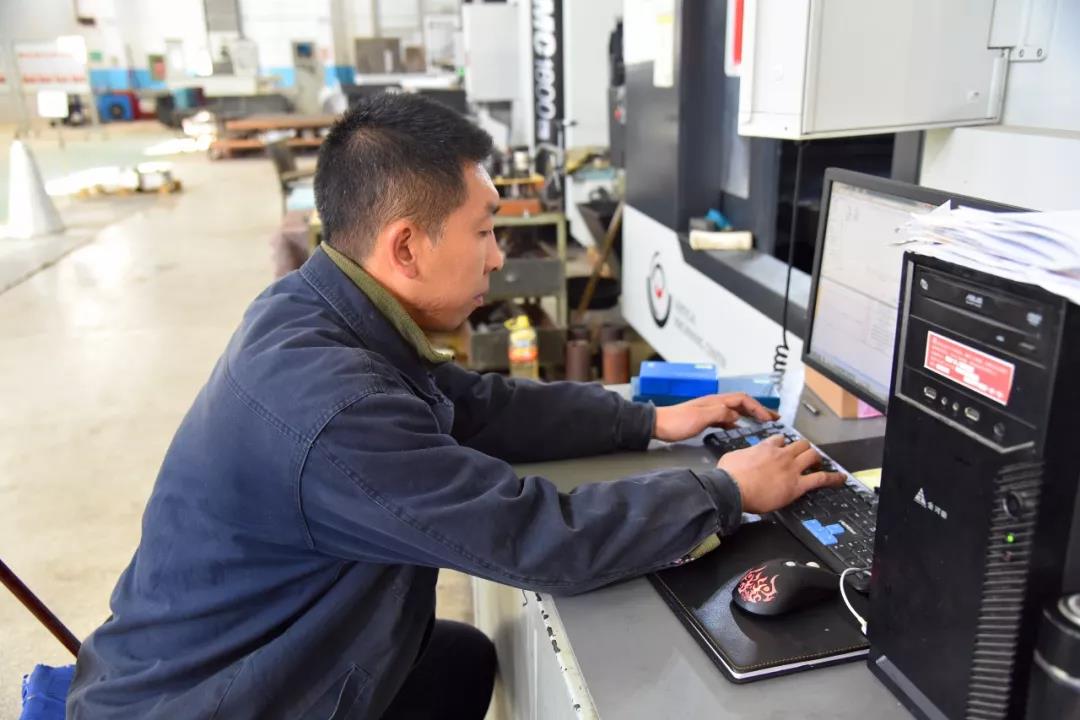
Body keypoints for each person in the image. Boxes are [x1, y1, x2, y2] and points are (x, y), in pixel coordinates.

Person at [67, 94, 843, 719]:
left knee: (460, 661)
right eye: (484, 230)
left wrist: (648, 420)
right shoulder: (337, 406)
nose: (499, 256)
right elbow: (531, 538)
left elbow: (471, 406)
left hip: (229, 657)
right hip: (213, 699)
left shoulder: (315, 307)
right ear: (406, 246)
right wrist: (725, 490)